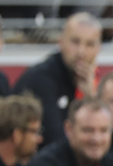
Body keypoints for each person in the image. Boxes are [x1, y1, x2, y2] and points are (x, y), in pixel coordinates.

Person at [13, 12, 101, 149]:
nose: (81, 52)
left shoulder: (85, 82)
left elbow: (98, 140)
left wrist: (90, 97)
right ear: (60, 41)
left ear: (98, 49)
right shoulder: (42, 78)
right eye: (75, 41)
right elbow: (56, 144)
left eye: (89, 44)